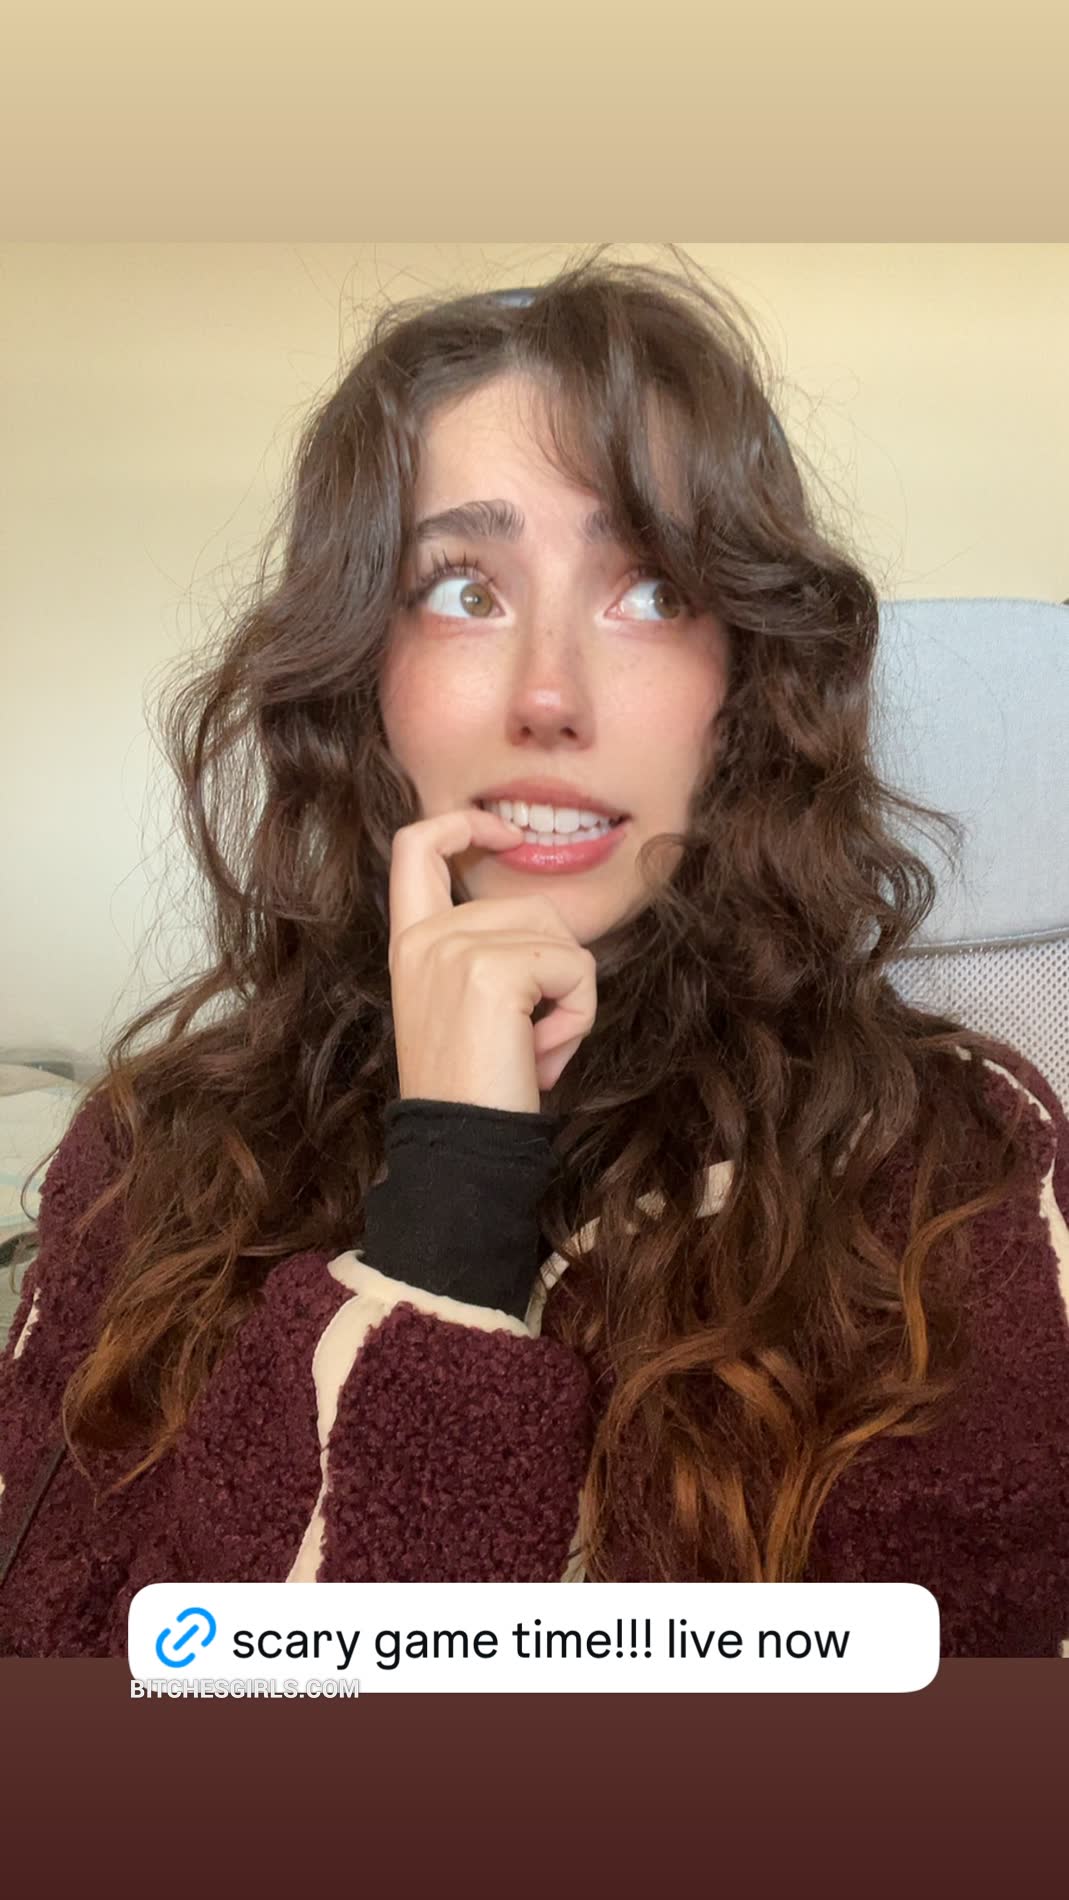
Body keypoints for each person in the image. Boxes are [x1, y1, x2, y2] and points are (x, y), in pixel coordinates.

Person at [2, 246, 1068, 1659]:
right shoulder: (154, 1156)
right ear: (364, 679)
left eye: (651, 591)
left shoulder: (956, 1162)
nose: (550, 695)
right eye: (463, 590)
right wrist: (450, 1196)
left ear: (742, 682)